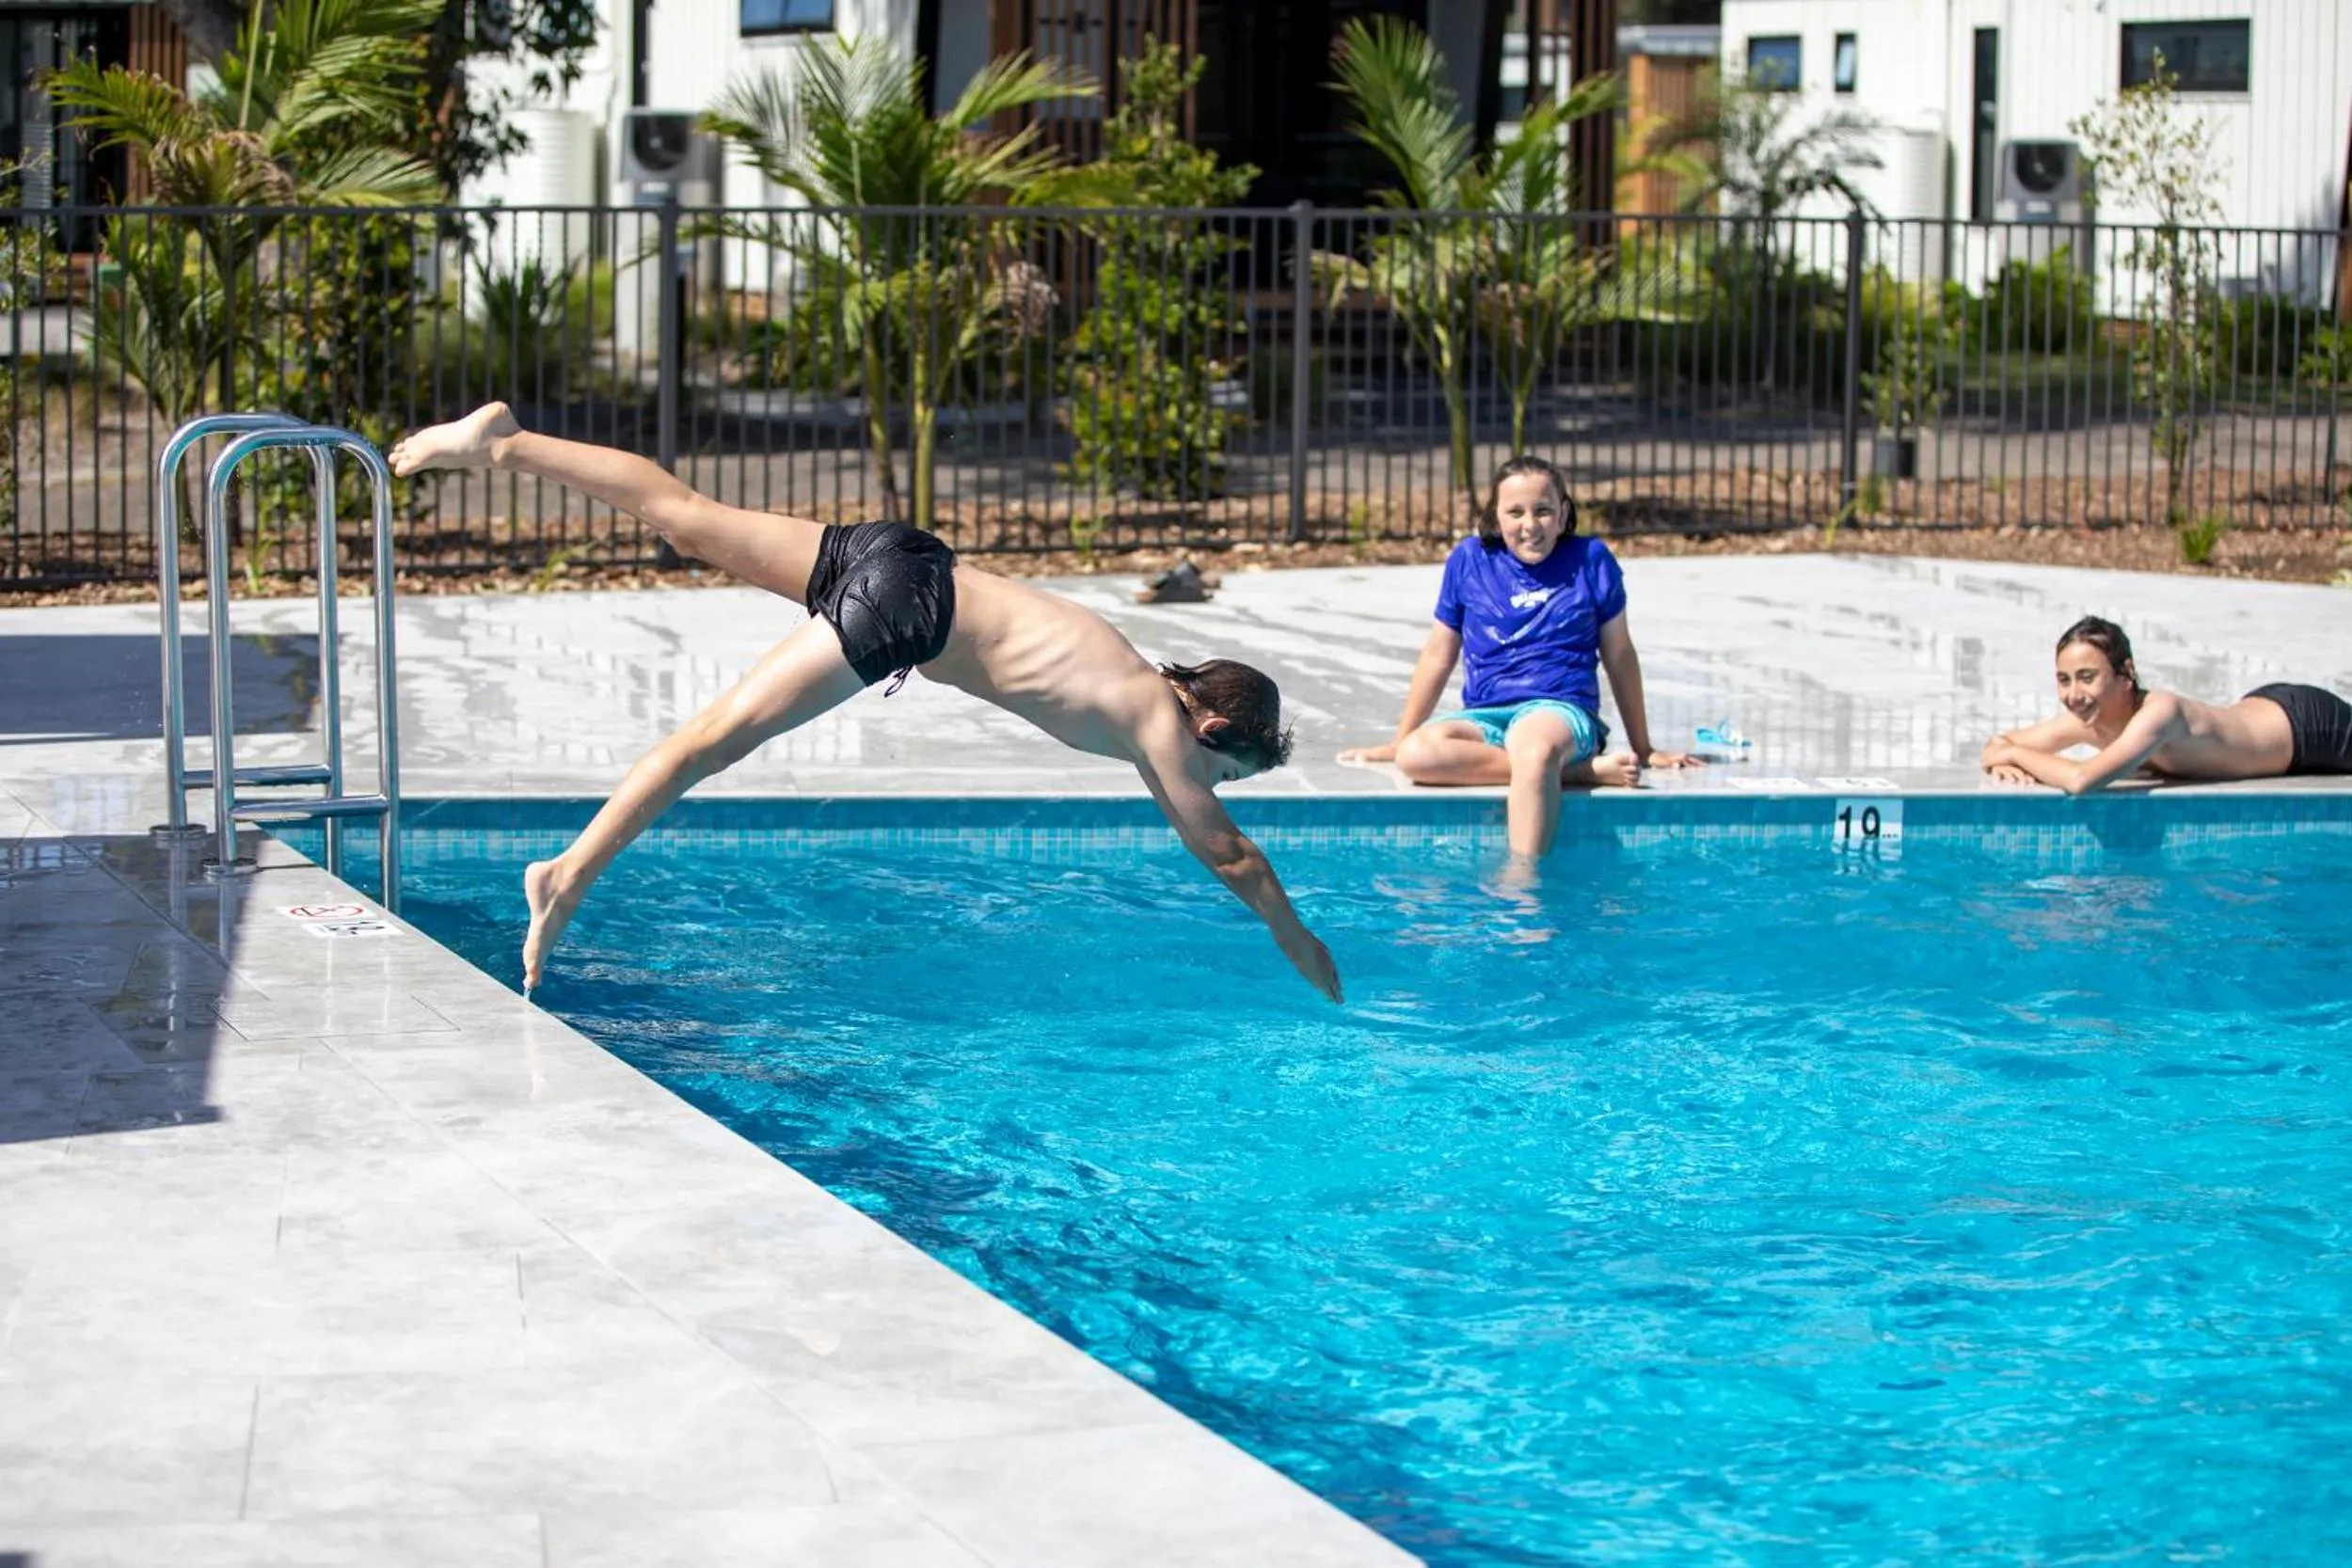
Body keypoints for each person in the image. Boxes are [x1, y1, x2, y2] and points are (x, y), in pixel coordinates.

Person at [387, 403, 1341, 1001]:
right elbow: (1231, 854)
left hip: (907, 555)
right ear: (1212, 729)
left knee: (683, 514)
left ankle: (503, 443)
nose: (1208, 784)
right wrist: (1297, 937)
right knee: (710, 740)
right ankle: (567, 873)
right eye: (1223, 769)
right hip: (907, 608)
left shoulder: (1135, 673)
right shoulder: (1156, 721)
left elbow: (1199, 828)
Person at [1340, 455, 1699, 862]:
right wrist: (1399, 739)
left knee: (1533, 747)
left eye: (1543, 510)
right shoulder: (1470, 560)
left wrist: (1644, 747)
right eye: (1515, 512)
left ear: (1564, 514)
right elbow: (1439, 654)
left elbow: (1619, 656)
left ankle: (1523, 886)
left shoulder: (1591, 560)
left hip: (1559, 710)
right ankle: (1576, 774)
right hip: (1488, 715)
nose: (1530, 525)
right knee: (1417, 755)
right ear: (1495, 518)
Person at [1980, 614, 2352, 793]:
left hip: (2308, 726)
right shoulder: (2088, 720)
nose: (2073, 695)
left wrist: (2016, 758)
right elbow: (1997, 745)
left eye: (2087, 677)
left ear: (2126, 674)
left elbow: (2081, 780)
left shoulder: (2159, 714)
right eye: (2064, 679)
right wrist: (2003, 754)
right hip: (2261, 708)